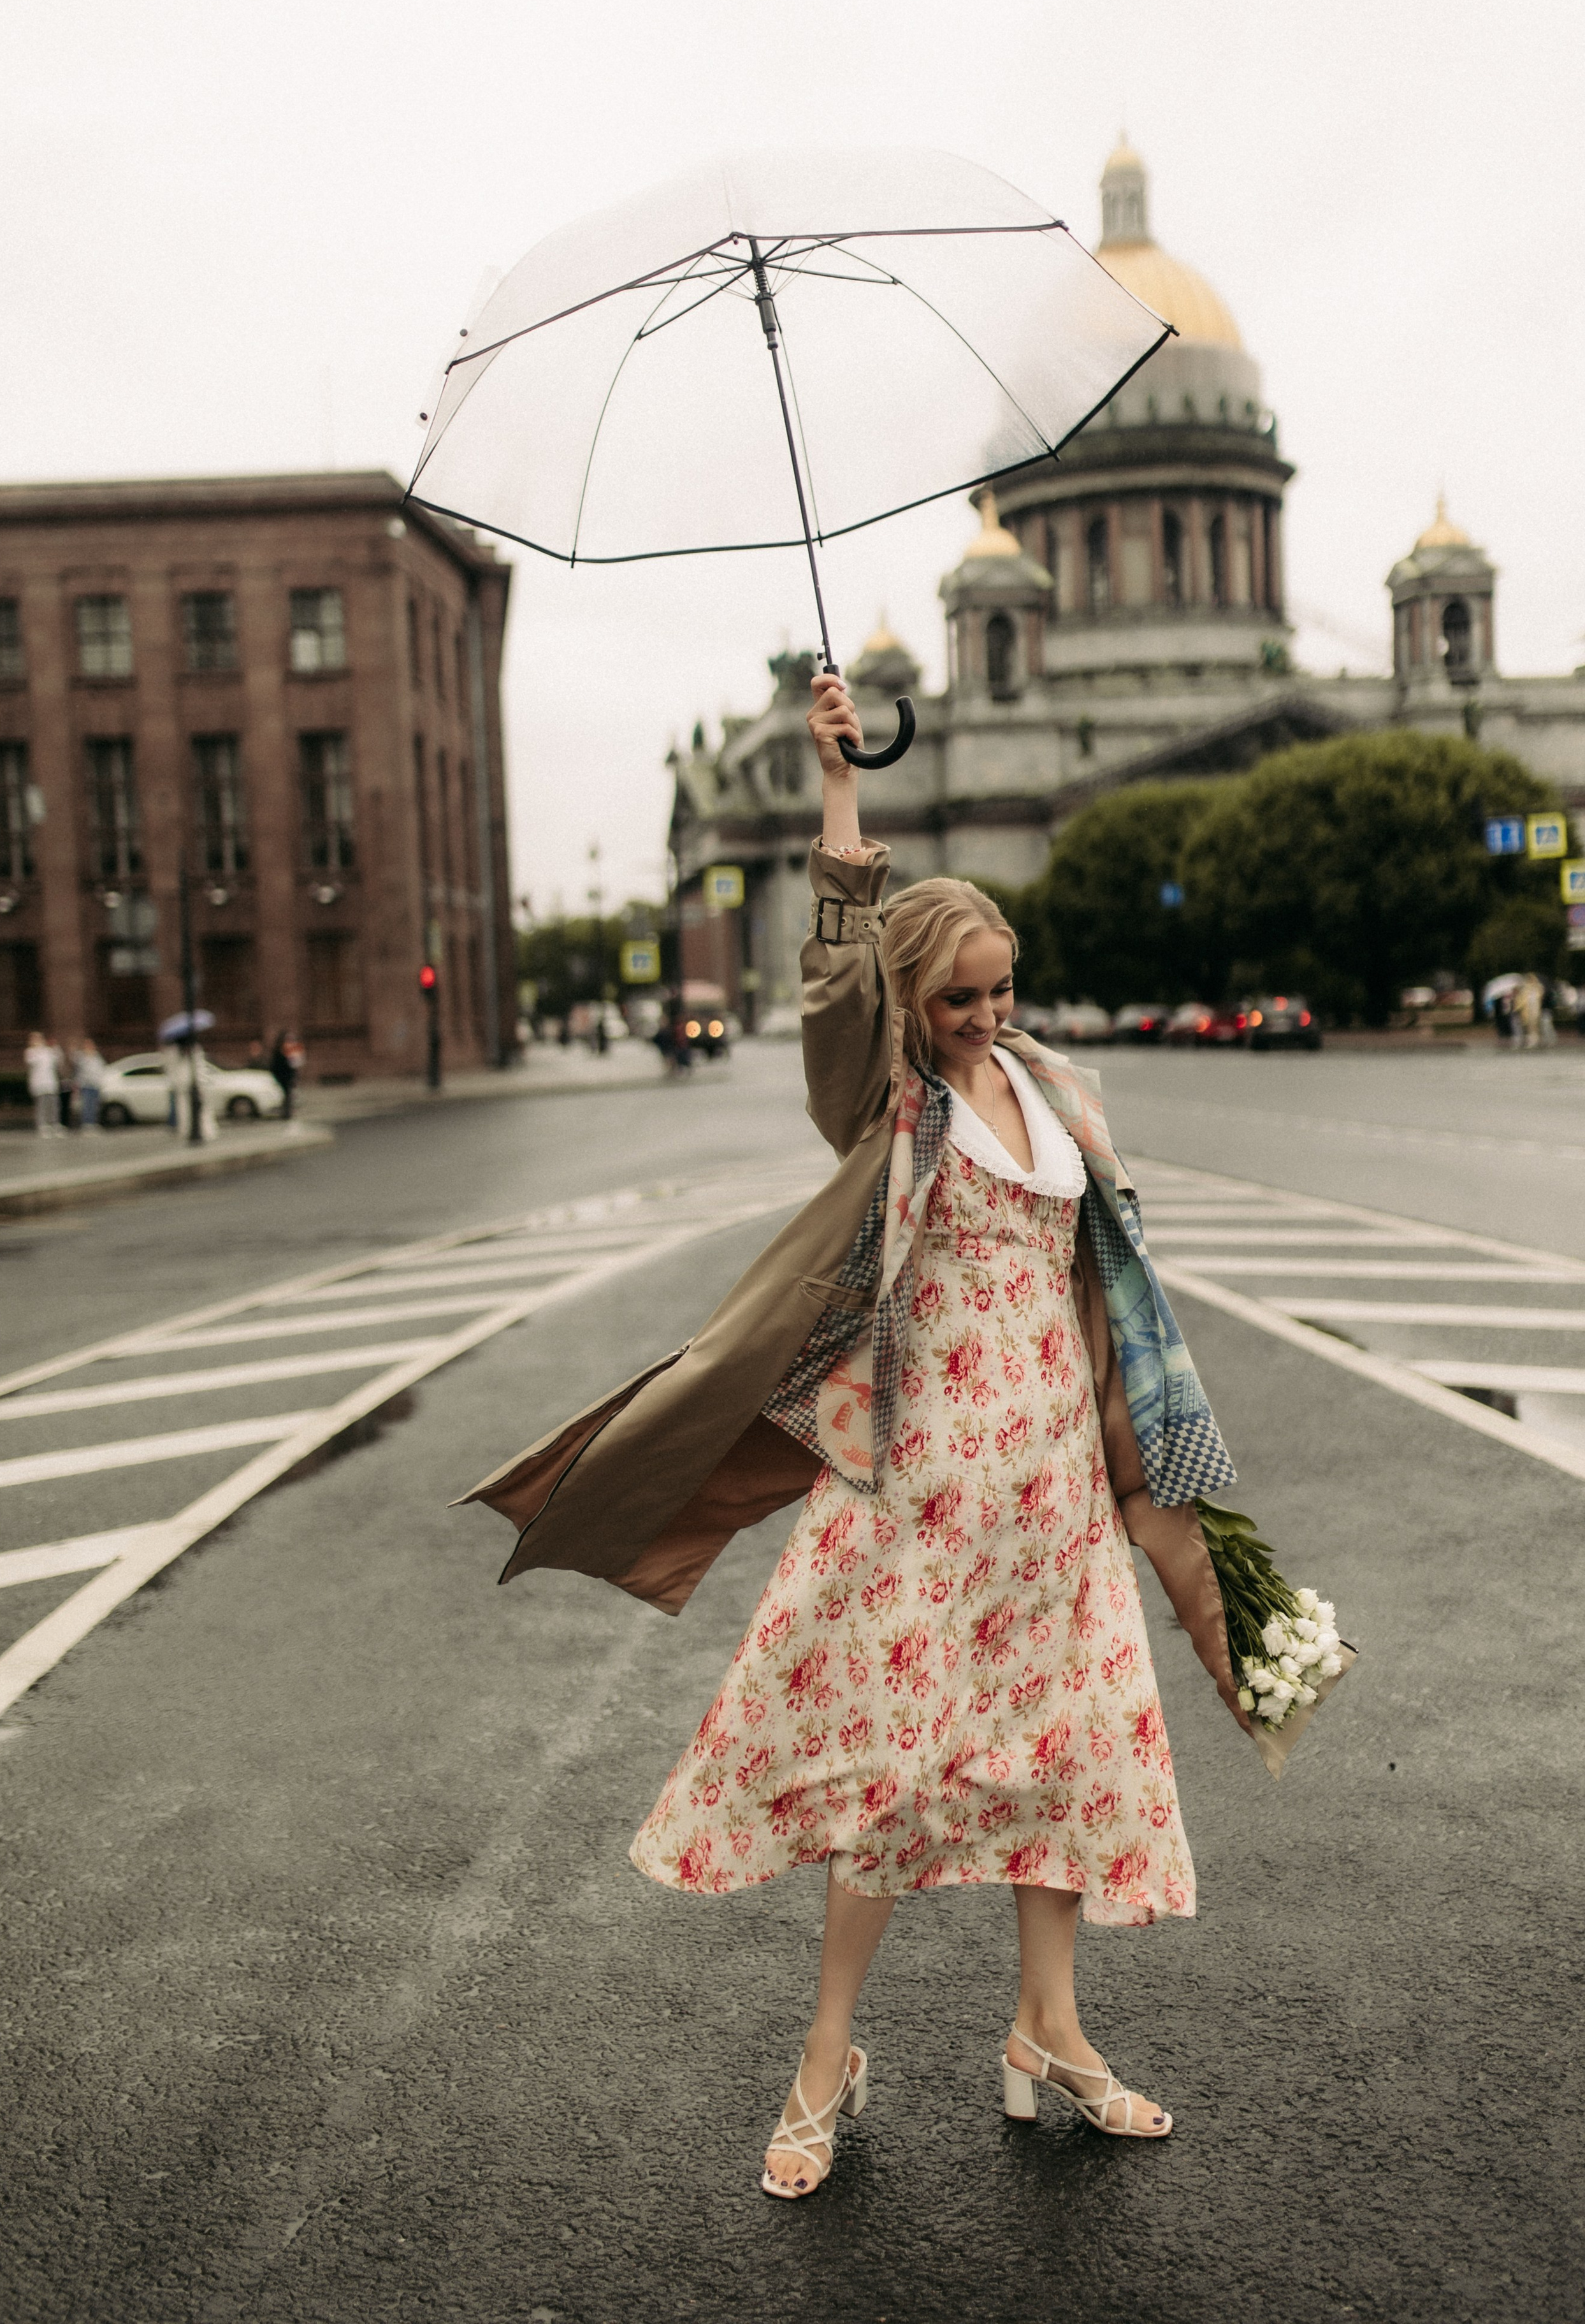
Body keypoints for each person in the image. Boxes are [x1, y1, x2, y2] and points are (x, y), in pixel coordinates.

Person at [458, 673, 1243, 2197]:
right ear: (910, 999)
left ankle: (1049, 2032)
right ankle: (825, 2058)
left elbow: (1108, 1294)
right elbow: (832, 995)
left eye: (1000, 990)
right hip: (917, 1491)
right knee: (886, 1777)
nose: (985, 1017)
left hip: (1051, 1497)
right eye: (957, 997)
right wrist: (835, 795)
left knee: (1056, 1767)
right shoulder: (891, 1107)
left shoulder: (1056, 1091)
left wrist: (1141, 1466)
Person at [24, 1032, 61, 1136]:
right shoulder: (30, 1052)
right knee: (42, 1106)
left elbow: (57, 1060)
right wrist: (37, 1049)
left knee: (53, 1105)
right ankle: (43, 1125)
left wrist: (55, 1047)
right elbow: (32, 1062)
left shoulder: (48, 1051)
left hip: (50, 1082)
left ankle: (55, 1124)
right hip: (39, 1083)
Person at [73, 1038, 105, 1132]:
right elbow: (78, 1066)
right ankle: (86, 1123)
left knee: (94, 1105)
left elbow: (101, 1069)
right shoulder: (82, 1057)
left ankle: (93, 1122)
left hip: (95, 1084)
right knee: (87, 1104)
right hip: (86, 1084)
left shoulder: (97, 1057)